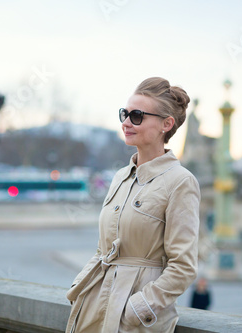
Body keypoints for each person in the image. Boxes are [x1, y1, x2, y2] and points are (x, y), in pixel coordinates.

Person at [65, 77, 201, 332]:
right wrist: (80, 288)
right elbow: (103, 249)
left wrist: (138, 307)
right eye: (125, 114)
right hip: (94, 309)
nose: (126, 122)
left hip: (134, 321)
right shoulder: (120, 176)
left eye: (137, 115)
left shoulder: (181, 182)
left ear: (166, 124)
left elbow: (183, 266)